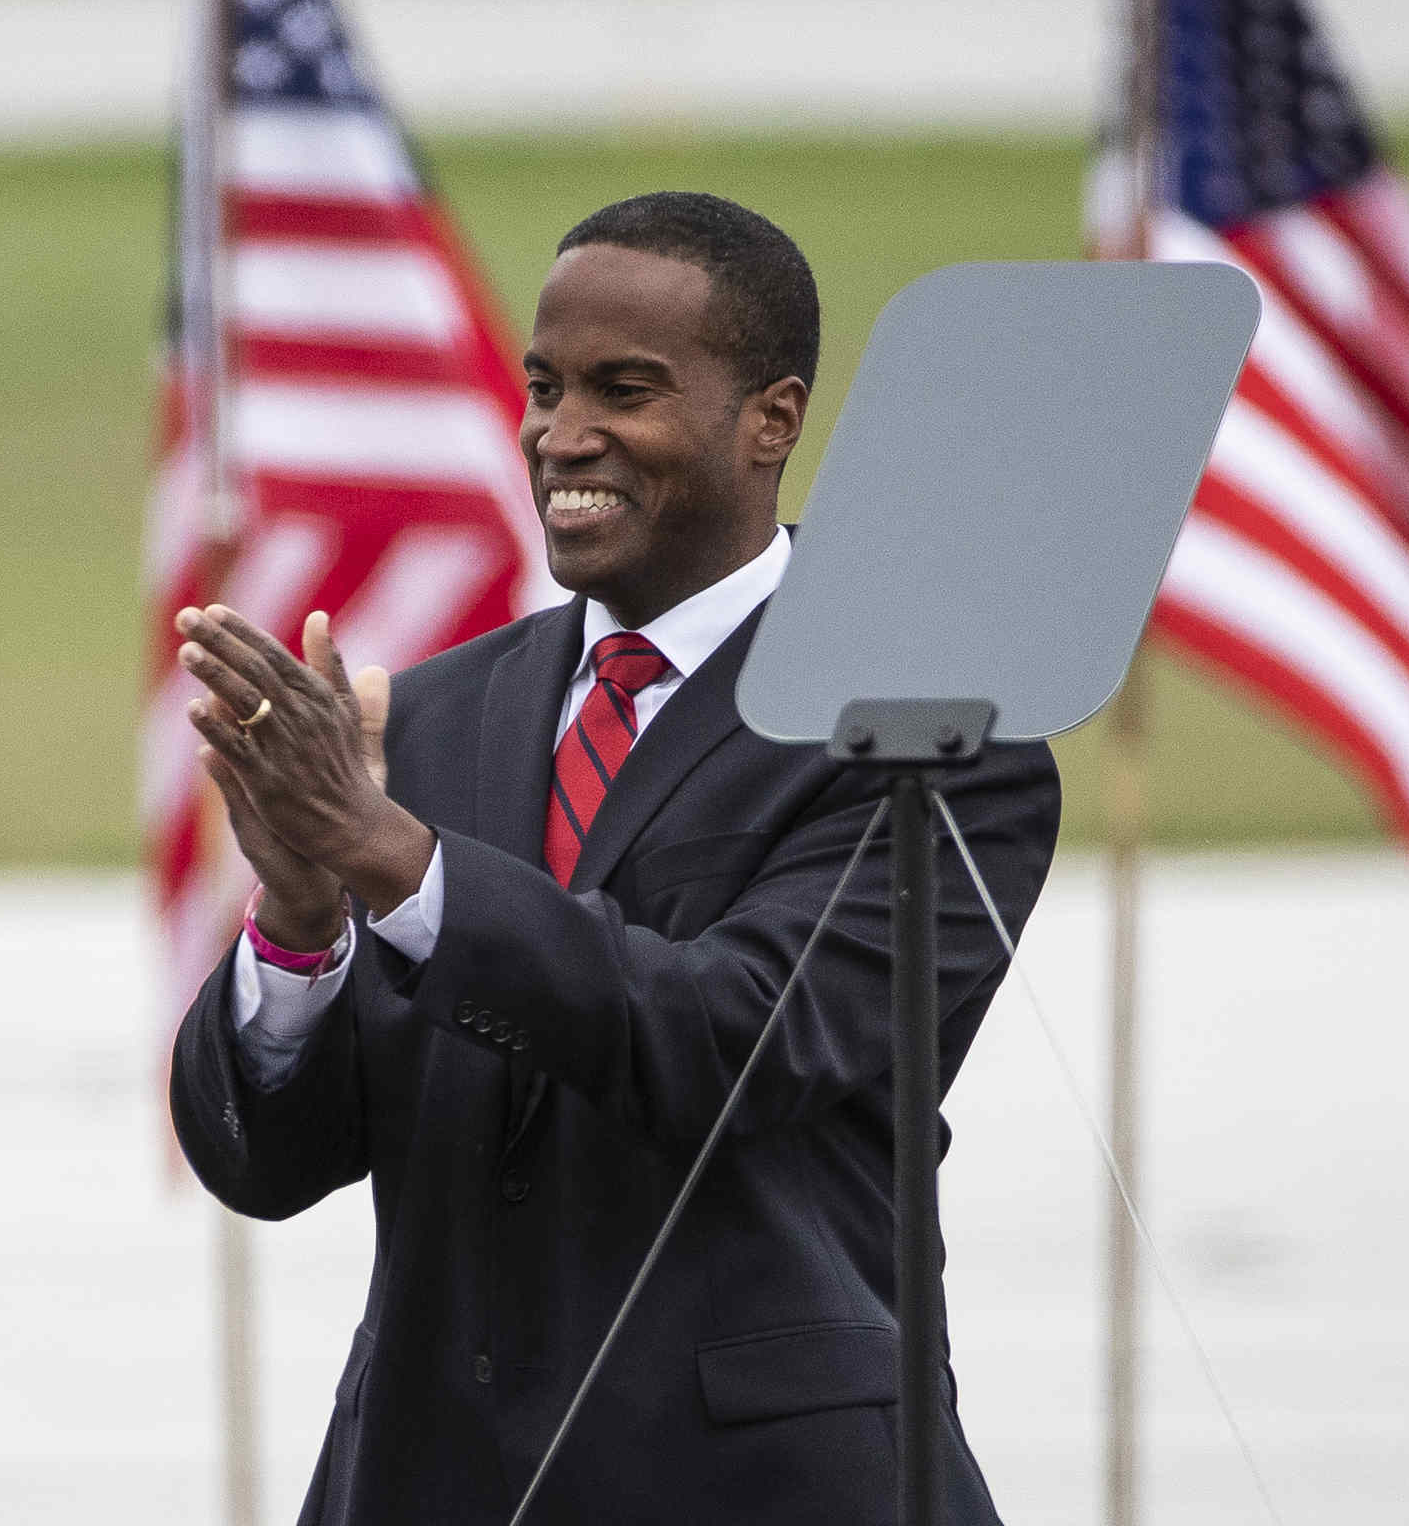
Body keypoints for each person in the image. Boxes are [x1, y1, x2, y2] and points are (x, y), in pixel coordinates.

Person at [168, 191, 1060, 1525]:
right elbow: (272, 1163)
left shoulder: (924, 736)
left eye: (623, 389)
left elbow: (731, 1039)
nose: (560, 435)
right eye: (543, 387)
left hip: (763, 1491)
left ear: (774, 417)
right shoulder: (432, 719)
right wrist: (300, 918)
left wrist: (392, 860)